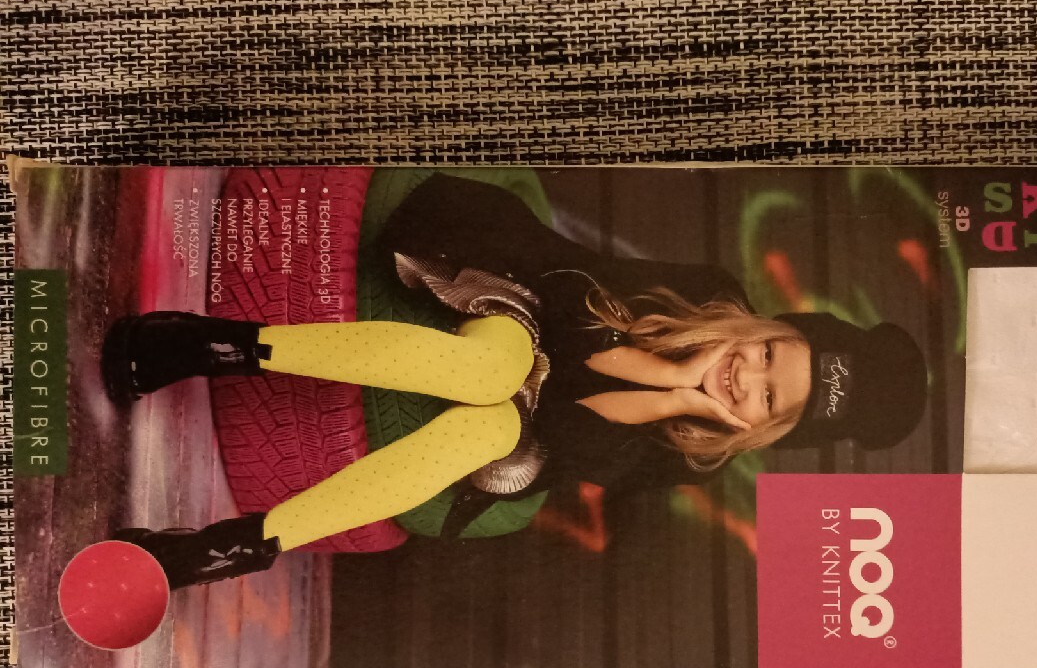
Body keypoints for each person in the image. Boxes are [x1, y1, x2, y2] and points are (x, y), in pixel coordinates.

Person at [100, 173, 928, 590]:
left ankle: (232, 546)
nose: (748, 376)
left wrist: (683, 395)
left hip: (516, 422)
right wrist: (675, 364)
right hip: (511, 286)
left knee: (495, 424)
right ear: (767, 328)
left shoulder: (694, 455)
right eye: (770, 353)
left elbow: (568, 440)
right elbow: (570, 299)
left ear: (766, 427)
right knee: (497, 366)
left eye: (770, 397)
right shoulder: (708, 291)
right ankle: (211, 345)